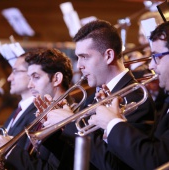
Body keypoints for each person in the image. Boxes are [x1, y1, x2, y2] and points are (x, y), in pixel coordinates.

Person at [38, 19, 156, 170]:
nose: (79, 65)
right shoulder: (94, 95)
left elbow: (113, 165)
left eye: (85, 57)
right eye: (78, 57)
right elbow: (80, 158)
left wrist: (71, 124)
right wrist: (53, 133)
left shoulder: (137, 98)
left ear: (108, 56)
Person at [88, 21, 169, 170]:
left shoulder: (137, 97)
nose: (151, 66)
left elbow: (155, 161)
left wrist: (113, 123)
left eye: (156, 56)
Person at [3, 48, 74, 170]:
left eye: (36, 77)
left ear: (56, 79)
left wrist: (11, 152)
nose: (30, 85)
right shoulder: (41, 112)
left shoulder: (72, 116)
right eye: (29, 78)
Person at [0, 53, 37, 149]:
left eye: (15, 72)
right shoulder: (19, 109)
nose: (9, 78)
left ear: (31, 74)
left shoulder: (36, 112)